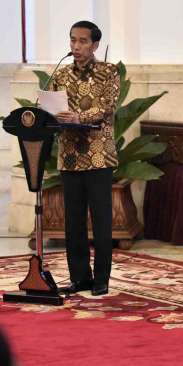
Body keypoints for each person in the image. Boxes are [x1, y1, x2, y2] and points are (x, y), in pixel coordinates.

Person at [52, 20, 120, 297]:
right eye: (72, 41)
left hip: (99, 156)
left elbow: (108, 107)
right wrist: (53, 115)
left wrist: (80, 117)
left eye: (82, 41)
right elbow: (52, 106)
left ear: (94, 45)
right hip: (69, 157)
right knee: (73, 221)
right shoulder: (61, 74)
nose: (76, 46)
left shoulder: (108, 72)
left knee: (102, 220)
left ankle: (101, 279)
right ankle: (79, 277)